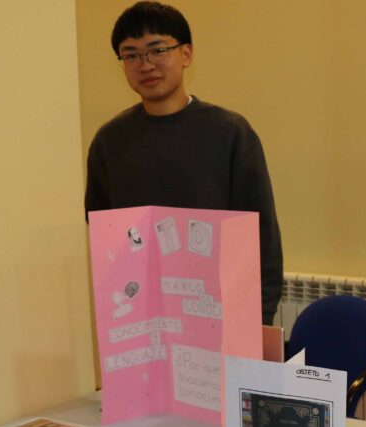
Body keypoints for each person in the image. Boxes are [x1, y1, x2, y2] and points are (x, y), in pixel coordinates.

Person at [85, 1, 284, 326]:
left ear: (186, 54)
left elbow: (261, 236)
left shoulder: (230, 133)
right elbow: (103, 229)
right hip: (142, 315)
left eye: (157, 50)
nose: (145, 64)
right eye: (131, 54)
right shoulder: (109, 141)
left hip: (221, 313)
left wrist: (258, 318)